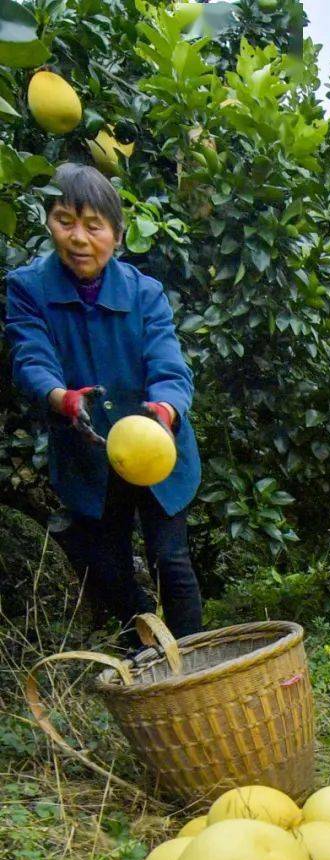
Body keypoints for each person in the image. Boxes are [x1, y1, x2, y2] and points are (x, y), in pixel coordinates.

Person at [6, 161, 202, 649]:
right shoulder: (29, 288)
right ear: (49, 222)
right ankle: (146, 655)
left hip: (157, 448)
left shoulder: (144, 293)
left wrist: (164, 411)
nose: (78, 238)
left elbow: (170, 368)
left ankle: (197, 663)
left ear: (116, 233)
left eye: (93, 226)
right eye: (65, 221)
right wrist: (61, 397)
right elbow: (31, 357)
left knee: (170, 561)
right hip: (89, 454)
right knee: (109, 568)